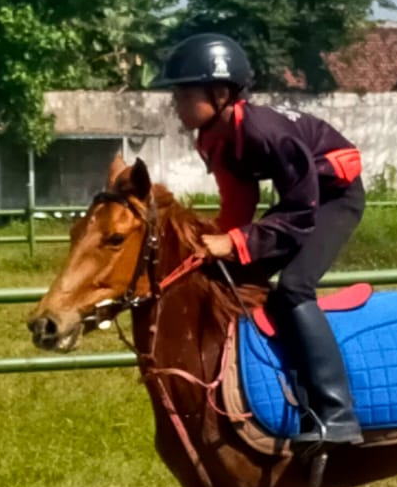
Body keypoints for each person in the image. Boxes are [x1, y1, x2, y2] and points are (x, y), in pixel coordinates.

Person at [151, 32, 366, 444]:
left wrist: (234, 243)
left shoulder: (265, 132)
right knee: (230, 276)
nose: (175, 104)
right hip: (302, 198)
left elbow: (302, 211)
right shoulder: (212, 137)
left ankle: (337, 414)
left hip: (334, 198)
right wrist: (221, 244)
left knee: (293, 290)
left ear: (219, 92)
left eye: (183, 94)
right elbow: (238, 197)